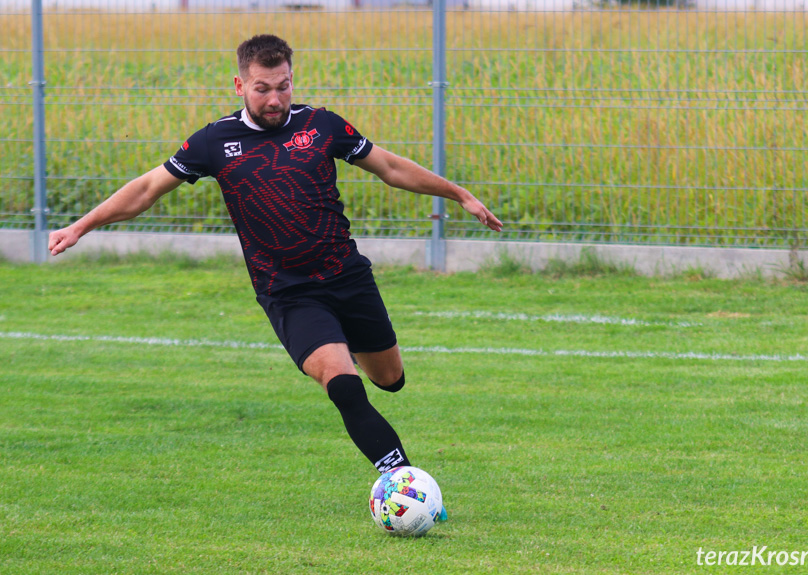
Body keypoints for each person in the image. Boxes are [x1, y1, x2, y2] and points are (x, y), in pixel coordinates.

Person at [48, 34, 502, 486]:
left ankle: (344, 347)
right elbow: (146, 189)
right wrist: (80, 226)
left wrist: (458, 194)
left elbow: (391, 168)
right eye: (262, 88)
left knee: (390, 379)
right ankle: (404, 483)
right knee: (344, 385)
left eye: (283, 85)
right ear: (239, 85)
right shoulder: (214, 141)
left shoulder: (322, 125)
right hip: (288, 291)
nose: (275, 98)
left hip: (347, 276)